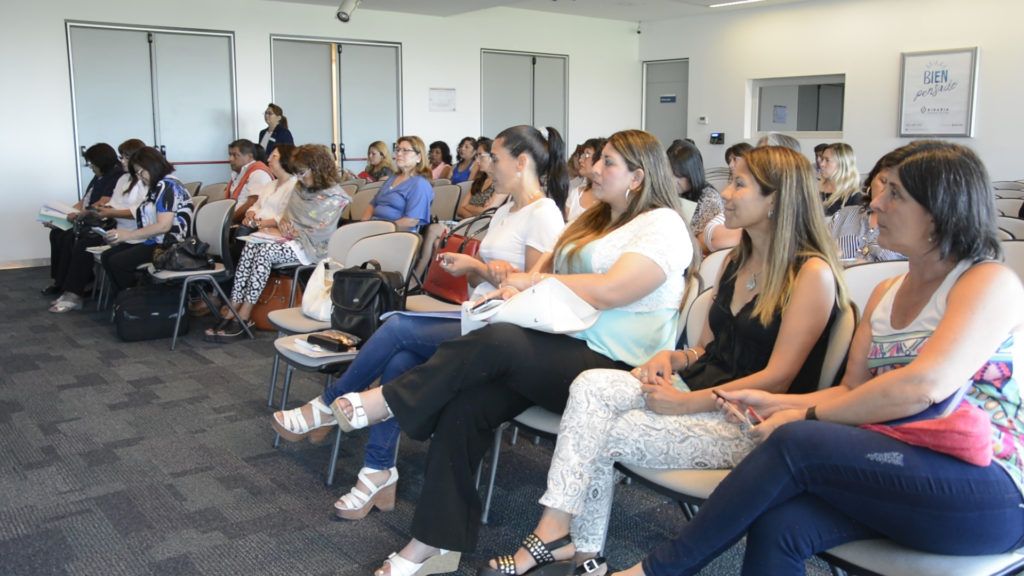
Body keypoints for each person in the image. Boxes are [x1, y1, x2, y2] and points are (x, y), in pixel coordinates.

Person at [615, 141, 1024, 576]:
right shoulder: (886, 294)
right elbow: (851, 392)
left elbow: (920, 387)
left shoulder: (987, 281)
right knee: (780, 524)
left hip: (987, 488)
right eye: (880, 190)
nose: (877, 203)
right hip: (896, 467)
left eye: (896, 194)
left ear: (941, 209)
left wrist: (802, 414)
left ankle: (656, 570)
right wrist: (778, 402)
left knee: (796, 441)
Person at [330, 129, 691, 576]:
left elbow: (614, 290)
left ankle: (387, 401)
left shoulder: (664, 225)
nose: (594, 169)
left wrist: (534, 282)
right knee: (466, 404)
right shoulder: (596, 218)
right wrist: (512, 283)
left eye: (608, 163)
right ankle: (430, 544)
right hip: (563, 348)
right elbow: (548, 271)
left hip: (617, 368)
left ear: (638, 177)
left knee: (499, 342)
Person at [484, 145, 848, 576]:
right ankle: (566, 541)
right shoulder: (736, 259)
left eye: (739, 184)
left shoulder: (810, 275)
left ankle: (574, 550)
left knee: (607, 431)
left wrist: (686, 403)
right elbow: (709, 350)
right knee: (590, 385)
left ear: (777, 200)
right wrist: (673, 357)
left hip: (751, 421)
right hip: (699, 390)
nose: (725, 194)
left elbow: (779, 377)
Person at [270, 125, 567, 522]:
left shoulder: (544, 213)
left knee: (396, 327)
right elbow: (484, 282)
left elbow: (533, 290)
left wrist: (479, 268)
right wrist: (472, 269)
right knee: (399, 360)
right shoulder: (506, 210)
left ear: (522, 161)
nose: (487, 164)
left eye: (494, 157)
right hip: (477, 316)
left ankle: (327, 406)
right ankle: (377, 472)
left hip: (504, 332)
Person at [206, 144, 348, 341]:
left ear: (317, 168)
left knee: (264, 252)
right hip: (290, 240)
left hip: (313, 247)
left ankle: (245, 313)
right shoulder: (301, 187)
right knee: (252, 244)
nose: (298, 177)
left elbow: (320, 229)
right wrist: (285, 225)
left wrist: (291, 228)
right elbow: (286, 217)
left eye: (301, 172)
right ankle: (233, 306)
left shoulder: (335, 195)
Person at [48, 139, 147, 313]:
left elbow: (138, 211)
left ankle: (74, 293)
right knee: (78, 237)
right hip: (115, 225)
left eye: (125, 157)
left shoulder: (147, 181)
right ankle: (69, 288)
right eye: (121, 157)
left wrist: (106, 212)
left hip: (131, 231)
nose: (122, 161)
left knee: (84, 243)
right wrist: (101, 210)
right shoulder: (124, 178)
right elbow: (113, 203)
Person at [100, 147, 194, 294]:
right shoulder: (157, 186)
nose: (139, 176)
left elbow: (163, 226)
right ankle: (125, 302)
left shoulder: (168, 185)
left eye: (141, 171)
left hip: (169, 245)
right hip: (154, 241)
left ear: (152, 165)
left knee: (118, 262)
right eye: (136, 173)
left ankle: (134, 301)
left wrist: (128, 235)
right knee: (108, 256)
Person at [44, 142, 125, 296]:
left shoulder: (116, 175)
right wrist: (60, 216)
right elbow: (84, 201)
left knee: (70, 237)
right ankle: (59, 281)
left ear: (102, 163)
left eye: (92, 164)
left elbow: (103, 202)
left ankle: (72, 283)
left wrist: (79, 215)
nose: (90, 167)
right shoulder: (99, 176)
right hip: (85, 216)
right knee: (56, 233)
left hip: (99, 220)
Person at [830, 148, 910, 263]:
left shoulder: (911, 228)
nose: (886, 191)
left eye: (897, 187)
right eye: (883, 181)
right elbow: (818, 254)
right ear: (872, 179)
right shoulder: (843, 215)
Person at [360, 136, 433, 232]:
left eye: (405, 151)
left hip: (396, 234)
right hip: (375, 229)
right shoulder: (392, 178)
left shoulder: (420, 184)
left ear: (418, 157)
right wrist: (363, 226)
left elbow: (411, 220)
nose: (399, 153)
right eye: (398, 150)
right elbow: (372, 205)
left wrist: (379, 230)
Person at [667, 139, 722, 251]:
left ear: (692, 174)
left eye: (679, 176)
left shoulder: (709, 199)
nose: (673, 181)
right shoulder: (668, 192)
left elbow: (704, 245)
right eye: (669, 174)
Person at [456, 138, 508, 219]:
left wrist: (468, 206)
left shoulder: (502, 182)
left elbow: (488, 211)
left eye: (480, 156)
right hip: (470, 226)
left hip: (487, 229)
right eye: (476, 156)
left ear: (493, 156)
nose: (477, 161)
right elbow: (460, 209)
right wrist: (474, 220)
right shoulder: (479, 181)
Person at [225, 139, 272, 224]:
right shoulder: (239, 174)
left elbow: (253, 202)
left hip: (243, 223)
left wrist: (228, 221)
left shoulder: (258, 173)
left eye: (235, 155)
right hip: (232, 221)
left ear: (249, 156)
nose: (230, 159)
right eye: (230, 155)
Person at [564, 138, 605, 223]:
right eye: (582, 155)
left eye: (587, 155)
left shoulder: (610, 199)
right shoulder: (576, 194)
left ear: (600, 159)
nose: (580, 160)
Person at [820, 142, 860, 216]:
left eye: (827, 160)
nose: (821, 164)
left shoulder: (853, 197)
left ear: (842, 163)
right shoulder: (814, 187)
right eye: (822, 159)